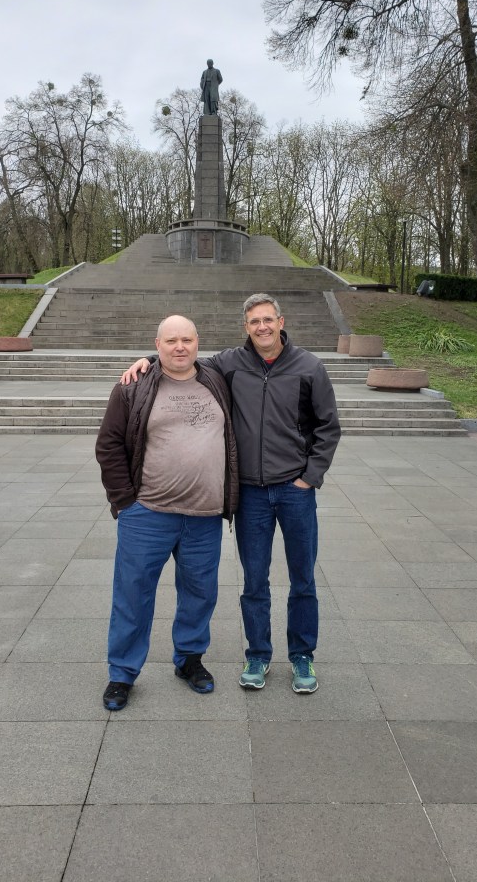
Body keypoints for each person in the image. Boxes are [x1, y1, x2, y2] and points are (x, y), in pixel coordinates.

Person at [120, 294, 341, 695]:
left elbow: (328, 427)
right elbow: (183, 357)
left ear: (281, 322)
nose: (262, 327)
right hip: (251, 494)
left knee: (303, 578)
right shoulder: (230, 363)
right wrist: (147, 360)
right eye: (254, 321)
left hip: (295, 490)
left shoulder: (309, 367)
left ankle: (301, 655)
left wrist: (310, 477)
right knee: (254, 581)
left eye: (268, 319)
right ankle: (257, 654)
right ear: (246, 326)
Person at [96, 314, 238, 711]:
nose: (180, 347)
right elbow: (108, 444)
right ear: (157, 344)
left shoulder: (217, 380)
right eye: (171, 340)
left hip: (204, 515)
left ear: (198, 342)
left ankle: (189, 659)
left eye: (187, 340)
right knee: (133, 594)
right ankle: (122, 673)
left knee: (200, 593)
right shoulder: (133, 386)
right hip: (148, 514)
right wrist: (125, 501)